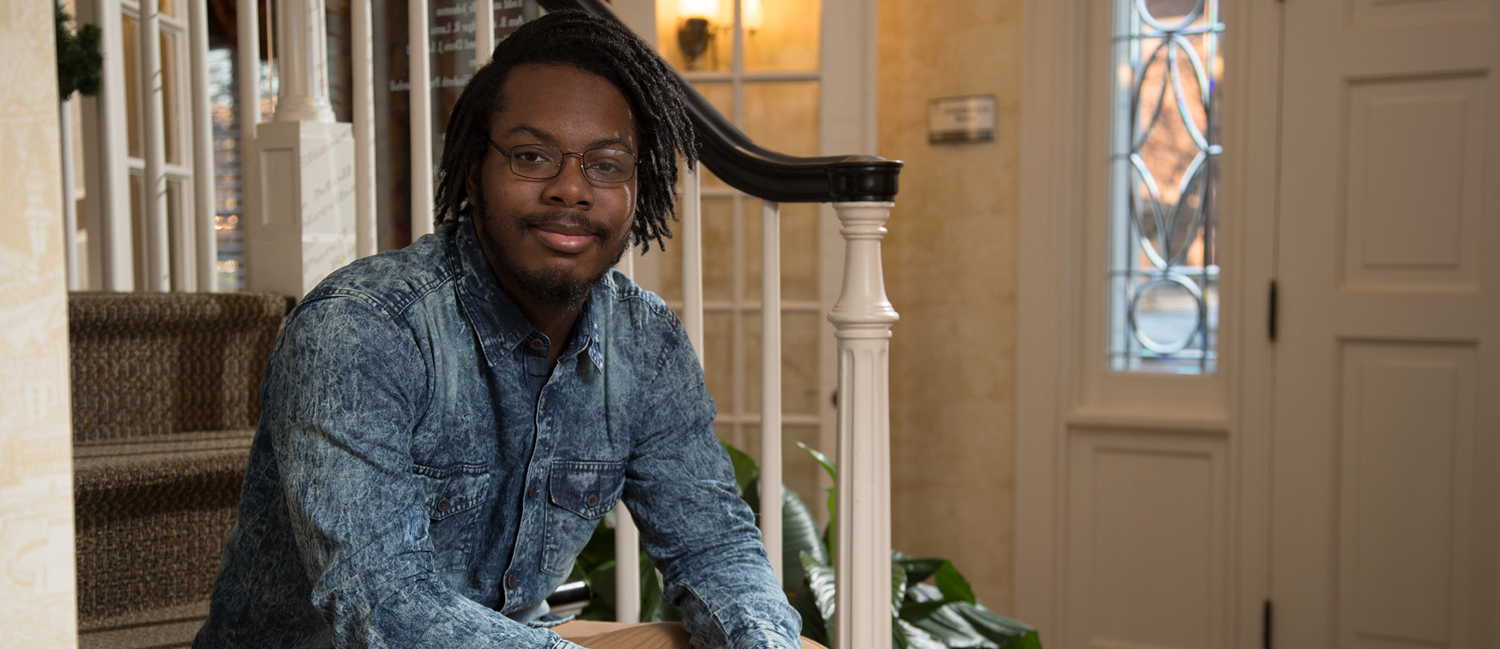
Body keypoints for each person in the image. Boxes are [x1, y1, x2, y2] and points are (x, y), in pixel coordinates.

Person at [194, 10, 804, 649]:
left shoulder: (644, 343)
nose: (571, 189)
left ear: (636, 188)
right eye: (531, 156)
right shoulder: (359, 329)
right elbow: (384, 606)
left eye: (606, 165)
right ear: (472, 171)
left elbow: (714, 546)